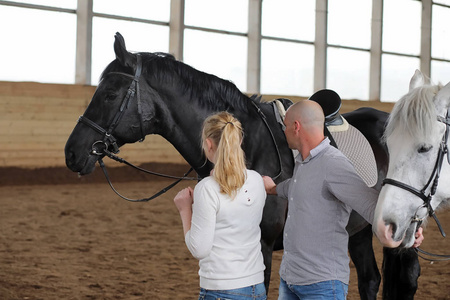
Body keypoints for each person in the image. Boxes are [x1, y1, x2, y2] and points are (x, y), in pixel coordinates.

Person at [263, 100, 424, 300]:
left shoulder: (334, 165)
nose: (283, 131)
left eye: (285, 126)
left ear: (296, 127)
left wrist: (409, 230)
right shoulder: (303, 163)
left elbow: (370, 205)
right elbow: (298, 186)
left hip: (321, 287)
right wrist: (273, 188)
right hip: (290, 281)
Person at [173, 111, 267, 300]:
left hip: (221, 289)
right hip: (256, 286)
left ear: (208, 144)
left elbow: (199, 249)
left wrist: (185, 210)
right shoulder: (257, 180)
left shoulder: (207, 189)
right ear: (239, 141)